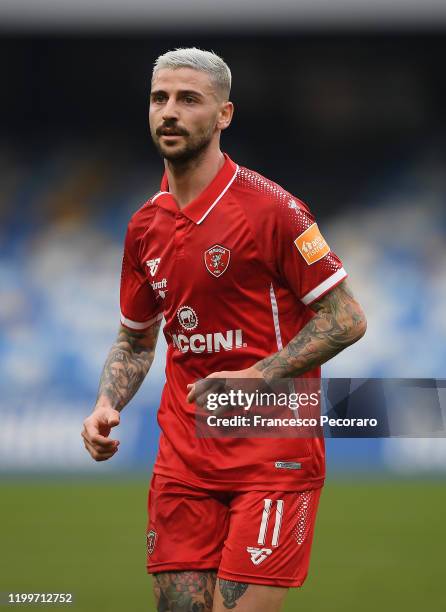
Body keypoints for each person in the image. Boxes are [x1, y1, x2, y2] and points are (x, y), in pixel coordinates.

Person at [82, 47, 367, 612]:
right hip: (184, 461)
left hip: (273, 458)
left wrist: (258, 376)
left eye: (189, 100)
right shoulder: (144, 227)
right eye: (160, 98)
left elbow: (347, 317)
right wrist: (105, 403)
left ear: (224, 115)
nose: (170, 111)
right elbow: (137, 338)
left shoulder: (275, 211)